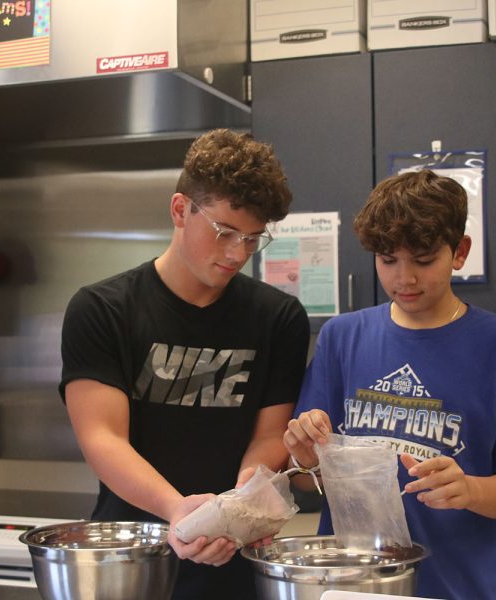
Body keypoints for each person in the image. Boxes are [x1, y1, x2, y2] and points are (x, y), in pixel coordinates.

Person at [284, 170, 496, 600]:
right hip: (355, 586)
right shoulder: (342, 338)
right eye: (387, 260)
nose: (404, 279)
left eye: (423, 259)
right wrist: (305, 457)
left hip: (457, 586)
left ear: (459, 252)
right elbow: (309, 481)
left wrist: (470, 489)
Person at [59, 129, 310, 599]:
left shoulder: (279, 318)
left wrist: (238, 511)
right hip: (133, 556)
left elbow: (269, 436)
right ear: (180, 210)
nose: (238, 254)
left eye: (254, 239)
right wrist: (179, 511)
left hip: (233, 558)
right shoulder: (103, 309)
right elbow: (102, 437)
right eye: (224, 232)